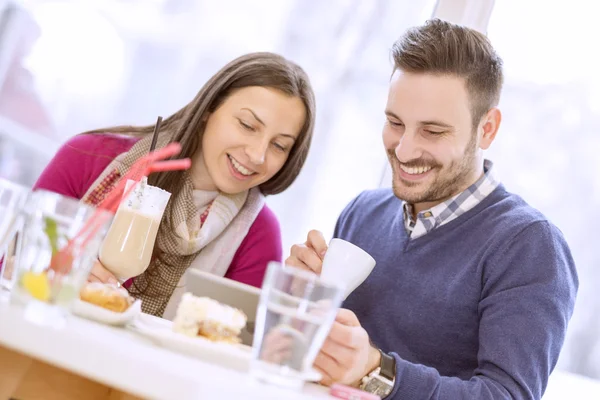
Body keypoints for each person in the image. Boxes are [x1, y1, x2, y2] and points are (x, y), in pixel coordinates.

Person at [286, 19, 578, 399]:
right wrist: (301, 300)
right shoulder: (362, 213)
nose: (404, 150)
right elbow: (314, 358)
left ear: (487, 129)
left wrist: (376, 372)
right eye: (394, 122)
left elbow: (508, 395)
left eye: (433, 131)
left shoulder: (529, 247)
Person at [34, 52, 316, 318]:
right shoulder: (90, 157)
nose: (258, 155)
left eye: (279, 145)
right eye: (247, 125)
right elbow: (13, 259)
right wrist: (54, 268)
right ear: (210, 108)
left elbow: (235, 351)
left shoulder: (258, 235)